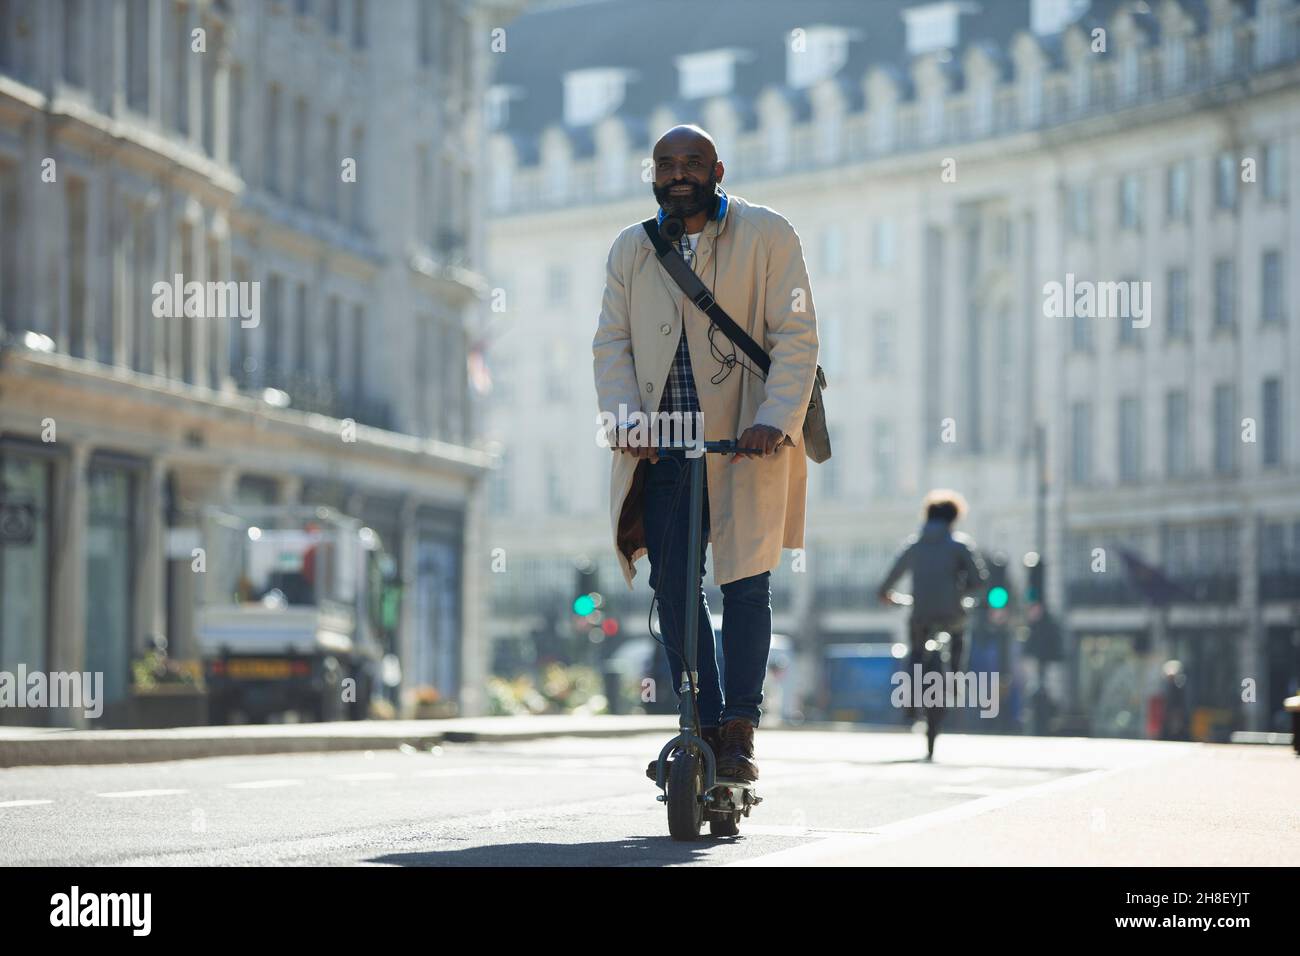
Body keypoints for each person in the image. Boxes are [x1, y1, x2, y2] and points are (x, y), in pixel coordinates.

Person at [592, 124, 820, 783]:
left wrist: (775, 420)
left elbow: (796, 335)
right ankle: (703, 721)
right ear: (653, 174)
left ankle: (741, 731)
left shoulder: (769, 233)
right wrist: (627, 418)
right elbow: (612, 345)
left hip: (746, 446)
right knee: (672, 588)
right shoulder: (631, 250)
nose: (679, 173)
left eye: (693, 162)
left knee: (746, 584)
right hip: (663, 451)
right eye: (667, 164)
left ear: (718, 168)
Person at [877, 490, 988, 718]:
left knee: (916, 651)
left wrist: (886, 594)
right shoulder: (960, 545)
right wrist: (961, 591)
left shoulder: (914, 545)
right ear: (954, 518)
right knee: (958, 641)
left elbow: (889, 579)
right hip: (952, 613)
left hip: (921, 613)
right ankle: (955, 683)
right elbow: (979, 581)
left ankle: (909, 695)